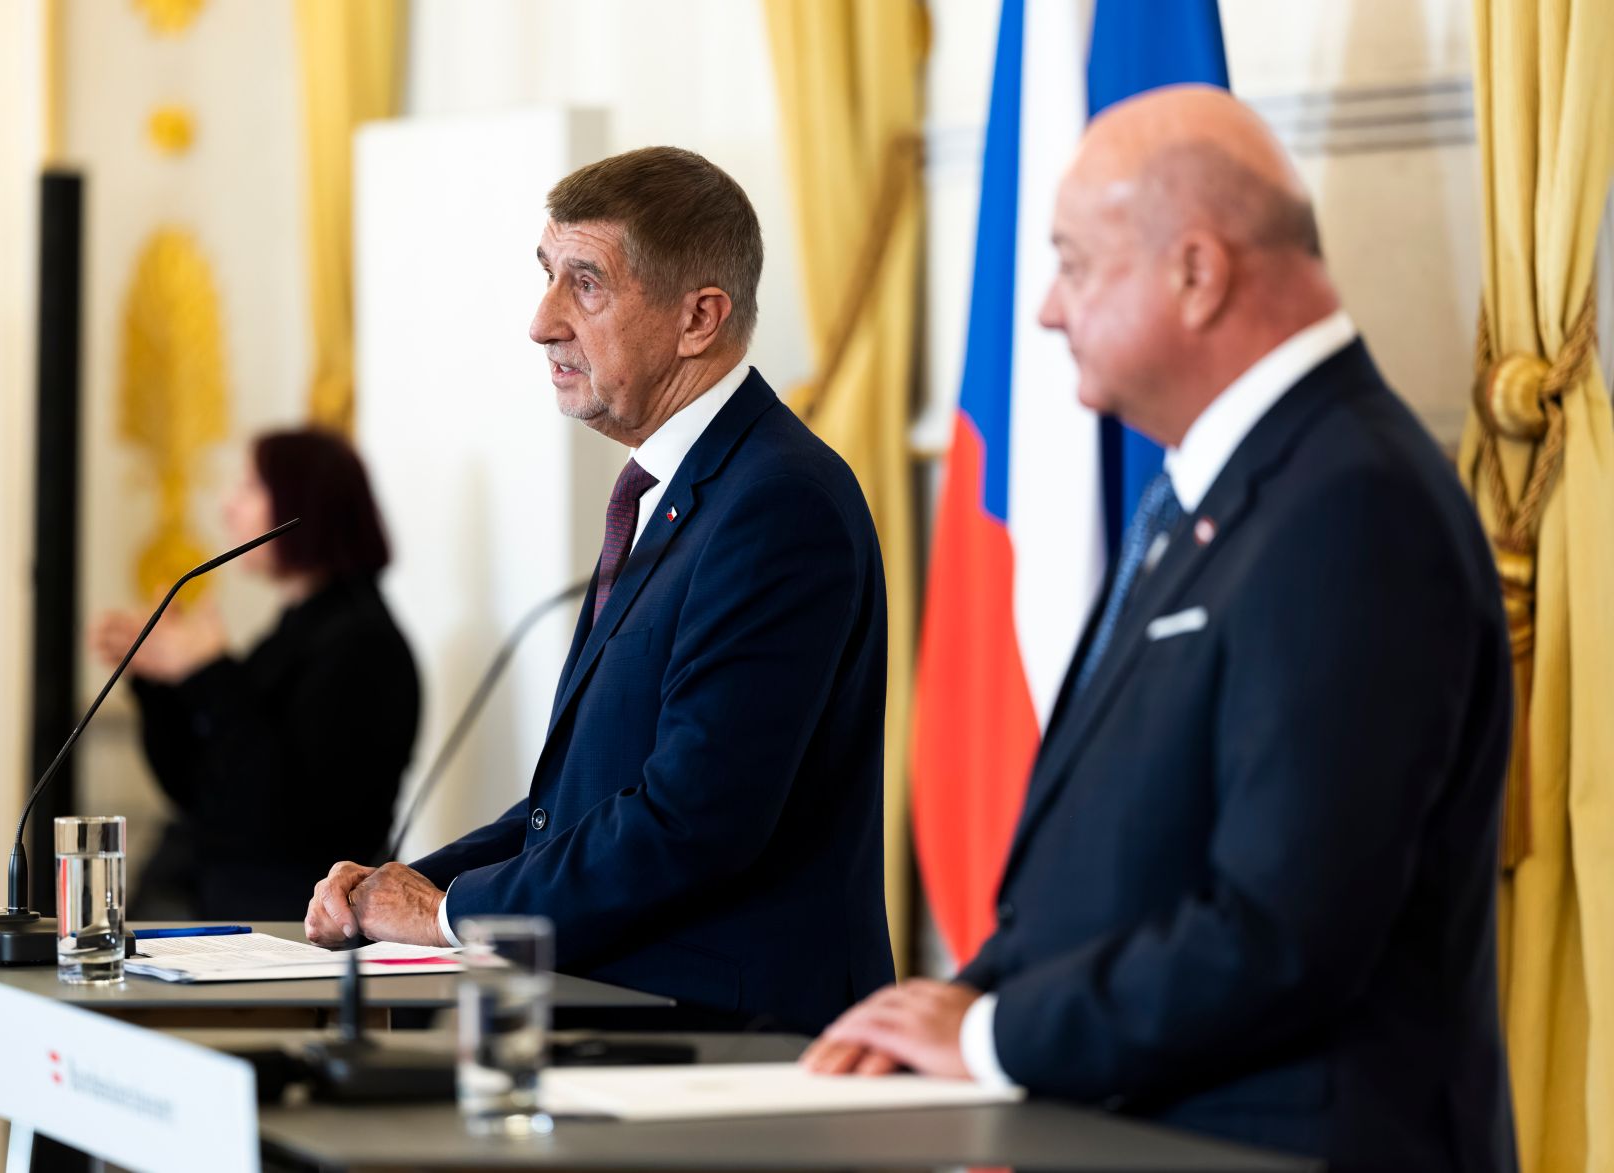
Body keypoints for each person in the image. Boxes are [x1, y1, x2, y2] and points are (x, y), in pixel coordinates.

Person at [804, 85, 1516, 1172]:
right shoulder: (1222, 485)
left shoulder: (1352, 501)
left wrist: (992, 1035)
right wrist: (954, 1005)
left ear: (1196, 273)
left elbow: (1284, 927)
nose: (1046, 311)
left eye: (1075, 265)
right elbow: (1126, 859)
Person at [303, 146, 894, 1035]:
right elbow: (581, 807)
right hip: (641, 1022)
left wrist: (446, 915)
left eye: (585, 284)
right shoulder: (676, 489)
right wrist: (406, 885)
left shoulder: (777, 502)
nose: (542, 322)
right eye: (547, 274)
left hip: (735, 1046)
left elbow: (692, 820)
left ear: (698, 318)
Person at [91, 428, 421, 921]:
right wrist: (161, 679)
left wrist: (209, 673)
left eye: (249, 487)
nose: (227, 505)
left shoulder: (362, 644)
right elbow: (199, 790)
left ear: (302, 505)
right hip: (226, 898)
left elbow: (279, 813)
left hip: (292, 921)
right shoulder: (295, 630)